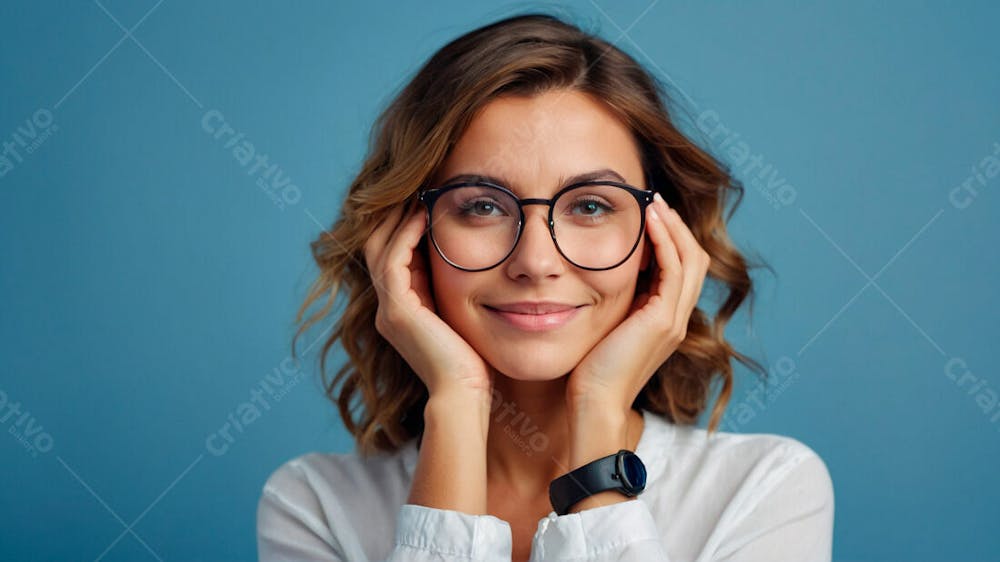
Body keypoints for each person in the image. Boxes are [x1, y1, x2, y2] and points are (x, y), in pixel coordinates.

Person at [256, 11, 834, 562]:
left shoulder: (761, 491)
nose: (536, 261)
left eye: (589, 205)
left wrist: (599, 412)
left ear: (661, 241)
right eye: (481, 205)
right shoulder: (316, 505)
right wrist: (457, 402)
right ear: (405, 241)